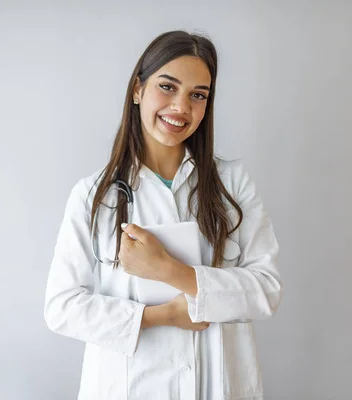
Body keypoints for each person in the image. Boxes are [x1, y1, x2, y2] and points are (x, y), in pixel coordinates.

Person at [43, 30, 283, 400]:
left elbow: (265, 290)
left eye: (197, 95)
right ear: (137, 90)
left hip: (218, 387)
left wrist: (169, 271)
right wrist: (160, 316)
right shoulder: (94, 195)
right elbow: (62, 308)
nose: (181, 107)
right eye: (168, 87)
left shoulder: (232, 186)